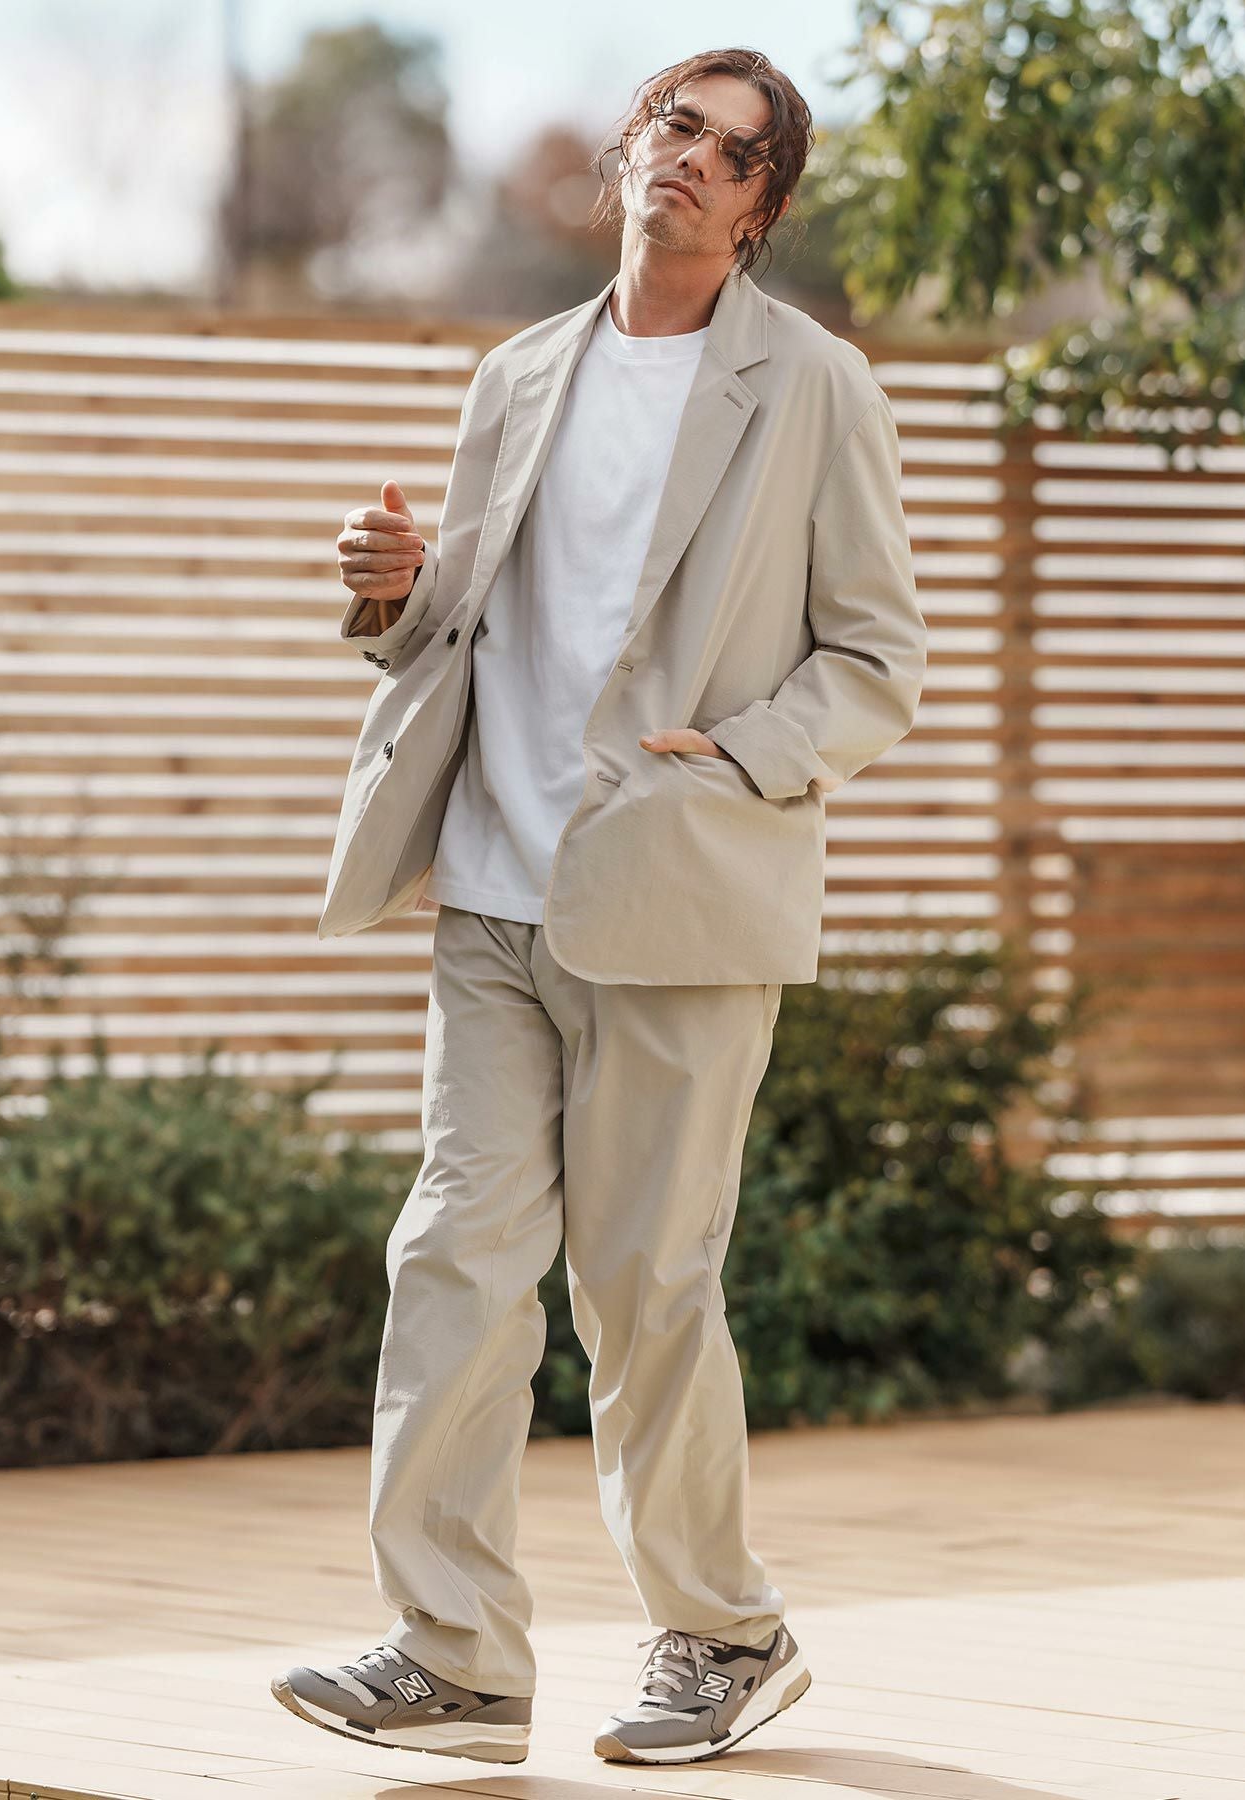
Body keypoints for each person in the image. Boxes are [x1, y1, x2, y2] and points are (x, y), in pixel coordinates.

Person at [270, 45, 925, 1768]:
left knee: (644, 1289)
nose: (693, 159)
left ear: (763, 206)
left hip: (677, 892)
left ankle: (724, 1634)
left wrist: (742, 755)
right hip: (493, 889)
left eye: (734, 151)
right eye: (674, 126)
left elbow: (877, 658)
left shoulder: (817, 387)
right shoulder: (520, 374)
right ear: (629, 150)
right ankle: (455, 1656)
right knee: (452, 1265)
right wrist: (398, 595)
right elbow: (473, 623)